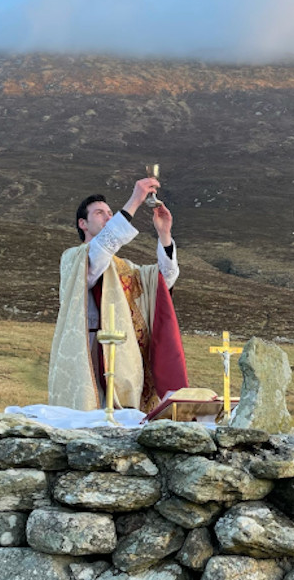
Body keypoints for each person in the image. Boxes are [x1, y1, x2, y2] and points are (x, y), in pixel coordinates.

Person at [48, 176, 189, 411]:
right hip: (90, 350)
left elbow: (165, 279)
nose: (107, 216)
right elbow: (100, 252)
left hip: (125, 355)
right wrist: (135, 200)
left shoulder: (125, 268)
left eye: (109, 212)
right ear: (83, 223)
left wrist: (164, 234)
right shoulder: (74, 258)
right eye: (99, 213)